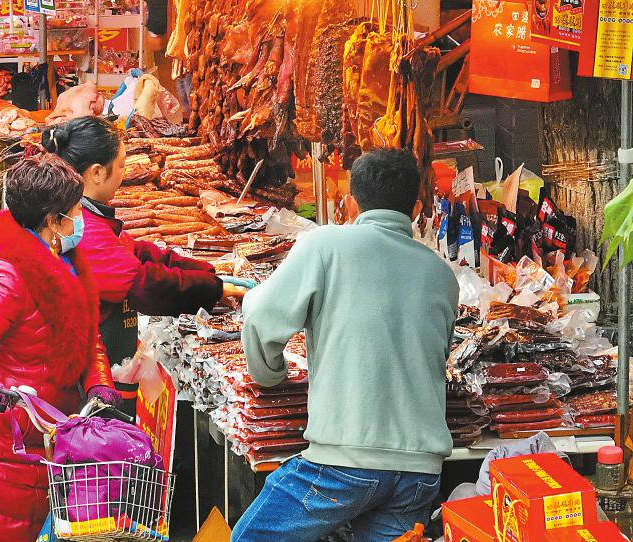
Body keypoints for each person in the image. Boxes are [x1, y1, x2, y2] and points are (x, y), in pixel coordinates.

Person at [233, 149, 459, 542]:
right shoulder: (442, 275)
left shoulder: (324, 245)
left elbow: (259, 314)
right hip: (420, 472)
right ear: (417, 209)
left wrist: (270, 373)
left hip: (343, 465)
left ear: (351, 204)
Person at [0, 153, 118, 542]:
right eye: (76, 211)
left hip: (56, 427)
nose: (81, 220)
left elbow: (87, 336)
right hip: (9, 432)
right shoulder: (6, 276)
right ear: (53, 221)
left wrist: (99, 384)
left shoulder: (67, 262)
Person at [41, 116, 244, 369]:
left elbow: (135, 252)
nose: (124, 174)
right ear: (97, 172)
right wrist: (213, 289)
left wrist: (207, 272)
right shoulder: (81, 228)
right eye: (121, 166)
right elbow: (143, 285)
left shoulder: (82, 214)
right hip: (80, 368)